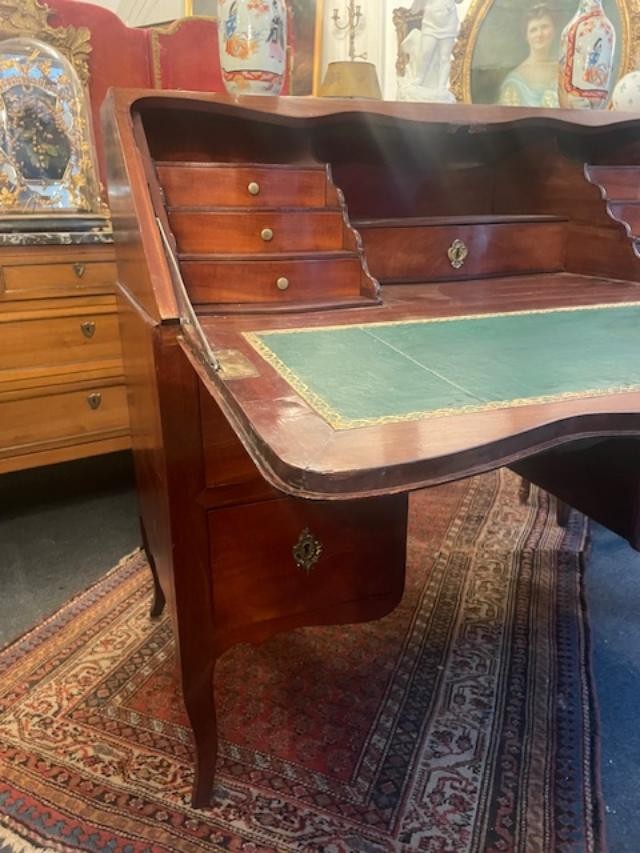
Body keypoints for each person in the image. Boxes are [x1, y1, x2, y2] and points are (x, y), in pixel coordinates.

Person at [398, 0, 464, 102]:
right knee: (426, 52)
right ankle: (419, 78)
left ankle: (441, 86)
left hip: (448, 22)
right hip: (430, 23)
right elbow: (414, 9)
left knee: (445, 57)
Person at [498, 5, 559, 107]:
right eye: (533, 30)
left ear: (554, 31)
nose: (539, 34)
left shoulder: (562, 69)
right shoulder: (515, 82)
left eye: (544, 27)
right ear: (526, 36)